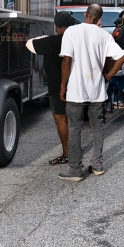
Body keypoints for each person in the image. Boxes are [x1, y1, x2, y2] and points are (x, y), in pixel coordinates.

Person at [58, 4, 124, 181]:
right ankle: (97, 165)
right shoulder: (104, 35)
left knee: (74, 129)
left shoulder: (71, 32)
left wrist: (63, 86)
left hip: (75, 90)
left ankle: (75, 170)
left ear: (85, 14)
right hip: (96, 90)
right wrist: (109, 75)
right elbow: (121, 56)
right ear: (99, 19)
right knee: (97, 129)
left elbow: (67, 60)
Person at [25, 11, 77, 165]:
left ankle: (67, 153)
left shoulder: (54, 41)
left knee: (60, 118)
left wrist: (44, 38)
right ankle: (77, 150)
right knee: (75, 119)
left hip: (58, 85)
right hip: (77, 84)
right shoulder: (77, 39)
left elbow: (29, 44)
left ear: (57, 26)